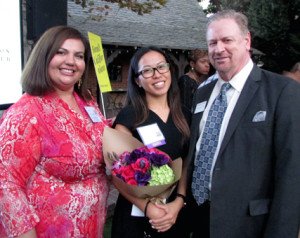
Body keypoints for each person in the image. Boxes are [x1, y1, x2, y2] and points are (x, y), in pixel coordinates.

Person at [185, 10, 300, 238]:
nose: (219, 49)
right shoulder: (203, 92)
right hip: (199, 218)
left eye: (227, 40)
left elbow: (292, 174)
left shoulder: (282, 92)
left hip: (249, 225)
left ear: (246, 41)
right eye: (213, 42)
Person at [0, 26, 111, 237]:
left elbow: (96, 138)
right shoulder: (26, 112)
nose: (71, 61)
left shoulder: (88, 103)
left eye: (79, 56)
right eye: (61, 52)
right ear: (44, 57)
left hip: (91, 227)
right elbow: (5, 183)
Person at [111, 46, 191, 238]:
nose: (157, 75)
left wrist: (179, 201)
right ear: (137, 80)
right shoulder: (129, 117)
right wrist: (147, 207)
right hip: (136, 215)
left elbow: (187, 162)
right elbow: (115, 173)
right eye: (147, 70)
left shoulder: (185, 115)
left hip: (174, 213)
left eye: (161, 67)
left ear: (169, 70)